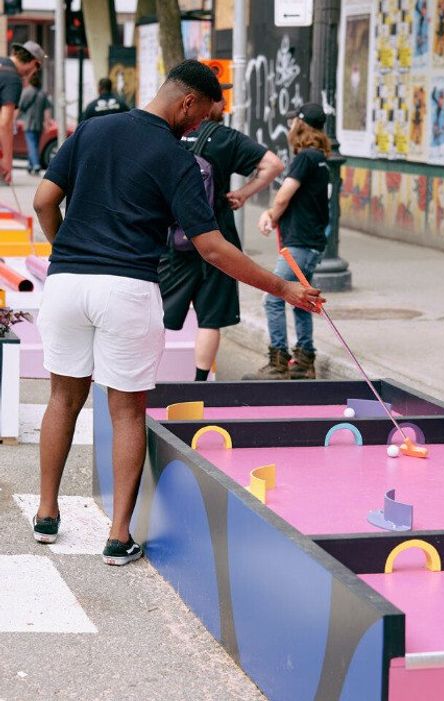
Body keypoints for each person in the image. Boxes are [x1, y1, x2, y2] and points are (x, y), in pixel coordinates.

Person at [31, 61, 321, 565]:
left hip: (67, 283)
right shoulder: (174, 157)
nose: (200, 126)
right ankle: (118, 536)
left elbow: (42, 200)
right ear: (188, 102)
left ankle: (47, 514)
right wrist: (282, 287)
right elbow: (211, 248)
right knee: (126, 412)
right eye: (204, 115)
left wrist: (68, 253)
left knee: (62, 398)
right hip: (128, 287)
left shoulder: (93, 130)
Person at [159, 88, 284, 381]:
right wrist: (243, 193)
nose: (225, 103)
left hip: (173, 239)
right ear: (210, 103)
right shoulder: (226, 137)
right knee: (210, 318)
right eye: (220, 98)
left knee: (157, 314)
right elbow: (274, 165)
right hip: (218, 238)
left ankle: (144, 379)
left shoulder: (169, 134)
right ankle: (200, 384)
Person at [247, 103, 332, 380]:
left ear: (301, 125)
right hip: (310, 242)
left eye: (294, 120)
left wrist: (270, 214)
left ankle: (279, 361)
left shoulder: (305, 158)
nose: (290, 126)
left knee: (274, 296)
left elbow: (284, 195)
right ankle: (305, 360)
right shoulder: (319, 158)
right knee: (301, 299)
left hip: (300, 243)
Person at [0, 41, 45, 184]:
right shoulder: (12, 78)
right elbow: (5, 123)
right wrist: (7, 160)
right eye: (36, 70)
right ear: (34, 63)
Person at [17, 72, 52, 174]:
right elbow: (47, 110)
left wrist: (14, 119)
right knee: (34, 145)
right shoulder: (42, 94)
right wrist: (47, 122)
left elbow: (20, 107)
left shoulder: (26, 92)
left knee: (31, 144)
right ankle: (30, 165)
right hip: (39, 124)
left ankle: (36, 165)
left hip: (29, 123)